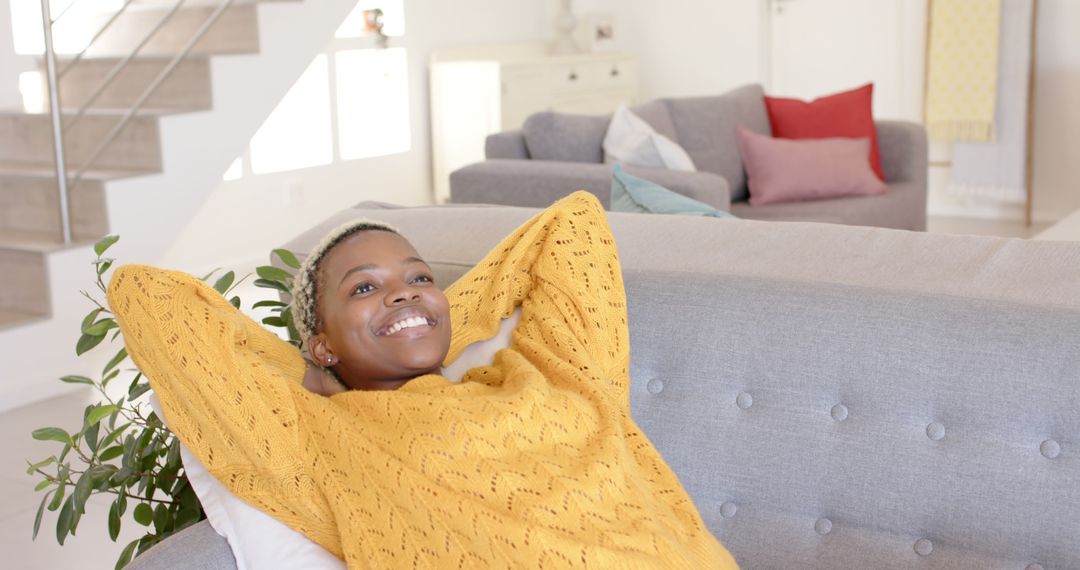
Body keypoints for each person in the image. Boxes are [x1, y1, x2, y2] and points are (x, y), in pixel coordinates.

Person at [109, 192, 738, 568]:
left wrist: (423, 318)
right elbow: (145, 295)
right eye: (364, 287)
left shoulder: (545, 372)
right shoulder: (313, 436)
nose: (403, 292)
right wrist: (316, 368)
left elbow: (574, 223)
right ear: (319, 340)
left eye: (419, 277)